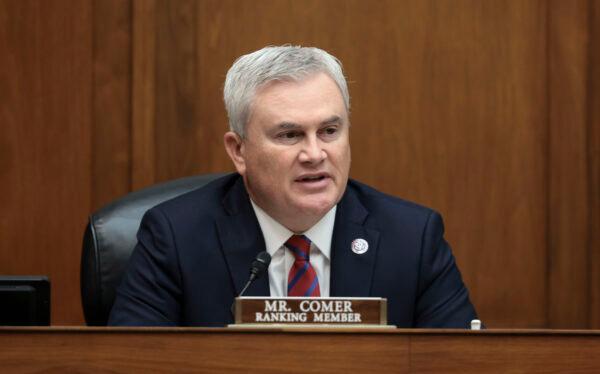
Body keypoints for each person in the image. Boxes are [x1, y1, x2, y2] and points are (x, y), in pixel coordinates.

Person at [108, 45, 478, 327]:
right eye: (290, 135)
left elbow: (464, 364)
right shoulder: (175, 238)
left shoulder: (413, 238)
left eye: (329, 131)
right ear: (239, 151)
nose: (315, 154)